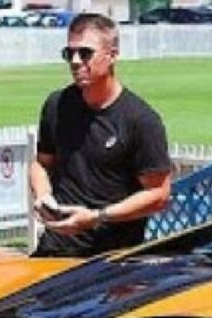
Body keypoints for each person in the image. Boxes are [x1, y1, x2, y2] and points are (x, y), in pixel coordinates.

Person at [29, 13, 171, 257]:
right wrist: (43, 196)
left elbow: (159, 195)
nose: (75, 61)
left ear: (112, 55)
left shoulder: (140, 120)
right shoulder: (58, 105)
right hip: (55, 248)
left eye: (85, 53)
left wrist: (97, 218)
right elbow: (42, 164)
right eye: (69, 53)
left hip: (111, 259)